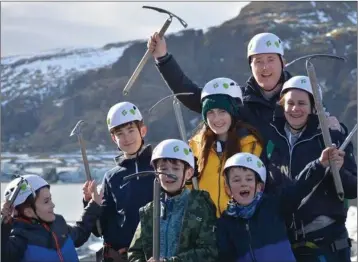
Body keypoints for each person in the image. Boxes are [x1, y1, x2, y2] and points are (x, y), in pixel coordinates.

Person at [147, 32, 345, 141]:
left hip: (293, 191)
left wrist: (338, 130)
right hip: (250, 191)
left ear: (283, 62)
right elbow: (193, 96)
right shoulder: (238, 100)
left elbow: (327, 126)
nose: (265, 67)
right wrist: (163, 58)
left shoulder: (301, 98)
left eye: (270, 60)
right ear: (250, 65)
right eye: (258, 61)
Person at [266, 75, 357, 262]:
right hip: (287, 243)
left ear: (314, 107)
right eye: (290, 103)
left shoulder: (331, 136)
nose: (295, 109)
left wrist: (337, 170)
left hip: (327, 243)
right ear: (282, 105)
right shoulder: (272, 140)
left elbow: (352, 188)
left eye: (302, 103)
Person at [216, 149, 344, 262]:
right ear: (228, 189)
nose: (243, 184)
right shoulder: (225, 223)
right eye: (236, 180)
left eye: (249, 179)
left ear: (259, 187)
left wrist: (319, 164)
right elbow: (224, 256)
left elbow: (298, 186)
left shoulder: (273, 205)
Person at [128, 139, 218, 262]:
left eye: (176, 168)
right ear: (156, 173)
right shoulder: (149, 211)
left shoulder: (200, 205)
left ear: (189, 173)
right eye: (163, 169)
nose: (169, 174)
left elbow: (209, 252)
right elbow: (135, 252)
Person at [88, 102, 155, 262]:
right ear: (113, 138)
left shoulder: (160, 165)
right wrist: (91, 204)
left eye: (131, 130)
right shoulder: (112, 177)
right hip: (125, 255)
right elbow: (101, 229)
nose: (127, 138)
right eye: (120, 134)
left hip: (158, 252)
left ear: (143, 130)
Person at [189, 77, 263, 217]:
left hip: (238, 226)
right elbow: (186, 188)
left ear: (233, 112)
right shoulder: (195, 146)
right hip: (205, 229)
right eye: (210, 112)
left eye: (222, 111)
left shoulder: (251, 145)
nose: (216, 119)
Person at [1, 174, 102, 262]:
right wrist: (3, 224)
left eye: (50, 199)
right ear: (28, 212)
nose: (53, 205)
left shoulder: (58, 223)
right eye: (46, 201)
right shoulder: (18, 239)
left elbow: (80, 234)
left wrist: (91, 204)